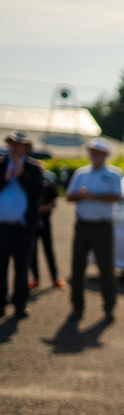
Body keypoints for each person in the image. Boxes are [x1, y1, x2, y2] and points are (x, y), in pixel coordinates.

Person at [67, 137, 123, 321]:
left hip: (102, 227)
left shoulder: (114, 174)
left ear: (105, 155)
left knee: (106, 268)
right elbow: (69, 196)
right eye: (92, 152)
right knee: (77, 269)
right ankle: (77, 306)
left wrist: (95, 196)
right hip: (83, 225)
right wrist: (80, 196)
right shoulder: (81, 174)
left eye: (98, 152)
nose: (95, 155)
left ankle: (109, 306)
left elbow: (116, 197)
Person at [0, 131, 43, 319]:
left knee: (21, 268)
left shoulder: (34, 168)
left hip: (23, 227)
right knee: (0, 268)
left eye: (18, 145)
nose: (14, 148)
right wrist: (6, 178)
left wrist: (22, 176)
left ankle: (20, 304)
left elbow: (38, 192)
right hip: (2, 226)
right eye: (12, 144)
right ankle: (0, 304)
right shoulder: (1, 165)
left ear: (26, 148)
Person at [29, 160, 66, 290]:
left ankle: (55, 278)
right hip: (31, 223)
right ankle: (35, 278)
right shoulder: (29, 183)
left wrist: (41, 208)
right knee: (32, 252)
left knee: (48, 250)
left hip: (45, 222)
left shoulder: (49, 184)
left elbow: (54, 202)